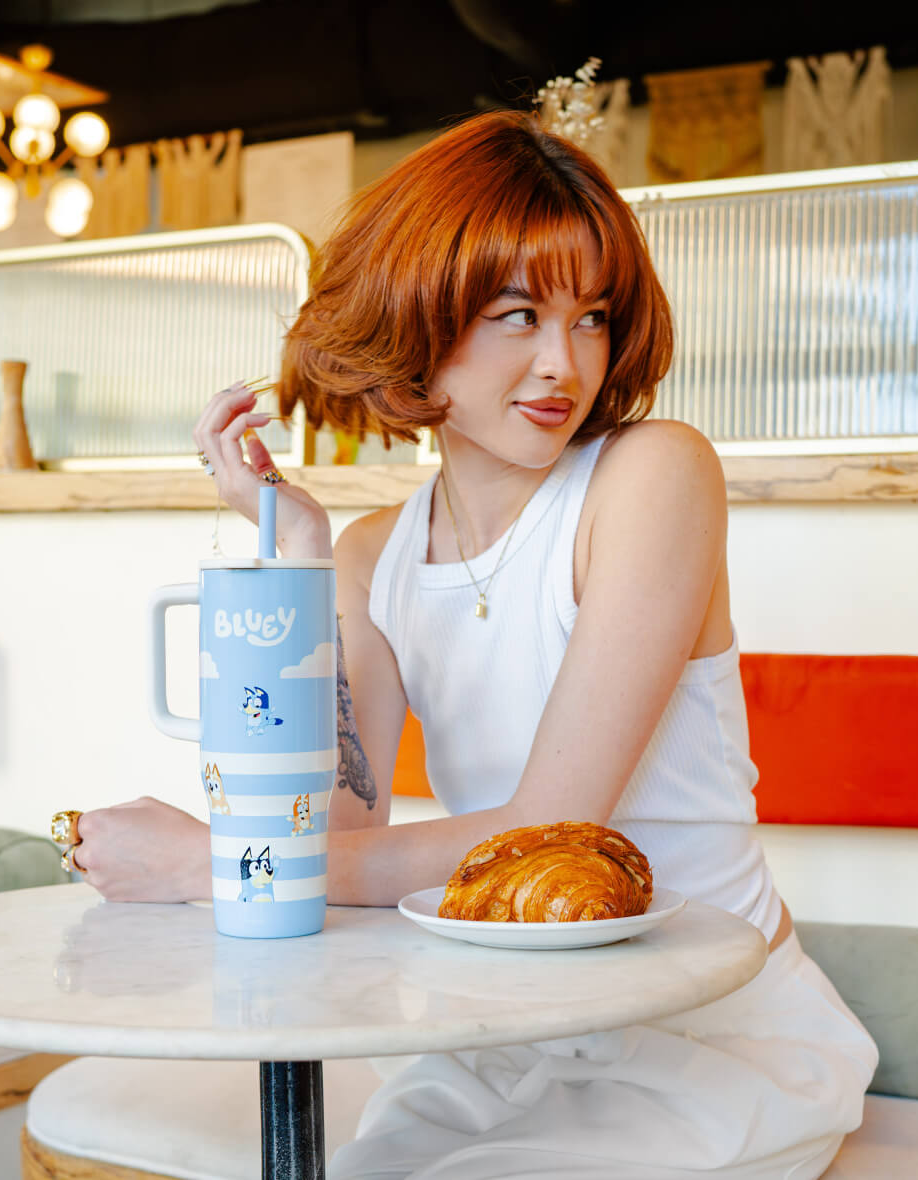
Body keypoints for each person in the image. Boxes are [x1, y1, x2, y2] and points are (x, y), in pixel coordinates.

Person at [74, 110, 877, 1179]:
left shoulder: (655, 476)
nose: (564, 362)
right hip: (504, 1034)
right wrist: (299, 560)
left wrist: (206, 866)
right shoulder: (370, 554)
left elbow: (551, 831)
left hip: (710, 1029)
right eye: (518, 315)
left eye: (592, 316)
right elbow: (337, 829)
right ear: (420, 323)